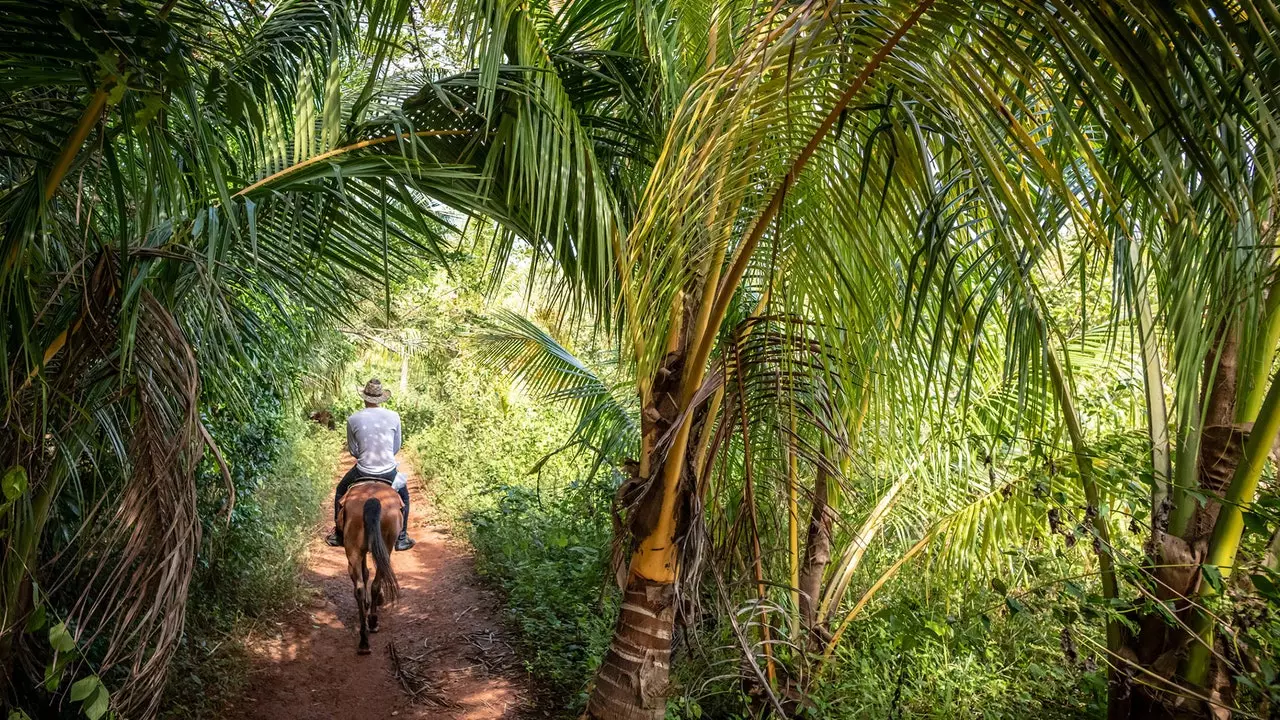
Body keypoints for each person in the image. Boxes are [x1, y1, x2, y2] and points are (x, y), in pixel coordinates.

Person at [325, 379, 415, 551]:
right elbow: (396, 446)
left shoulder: (353, 419)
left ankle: (338, 534)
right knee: (404, 496)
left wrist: (365, 457)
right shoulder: (394, 416)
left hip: (362, 470)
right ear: (381, 398)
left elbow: (353, 450)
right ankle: (402, 537)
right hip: (389, 470)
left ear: (364, 397)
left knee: (340, 490)